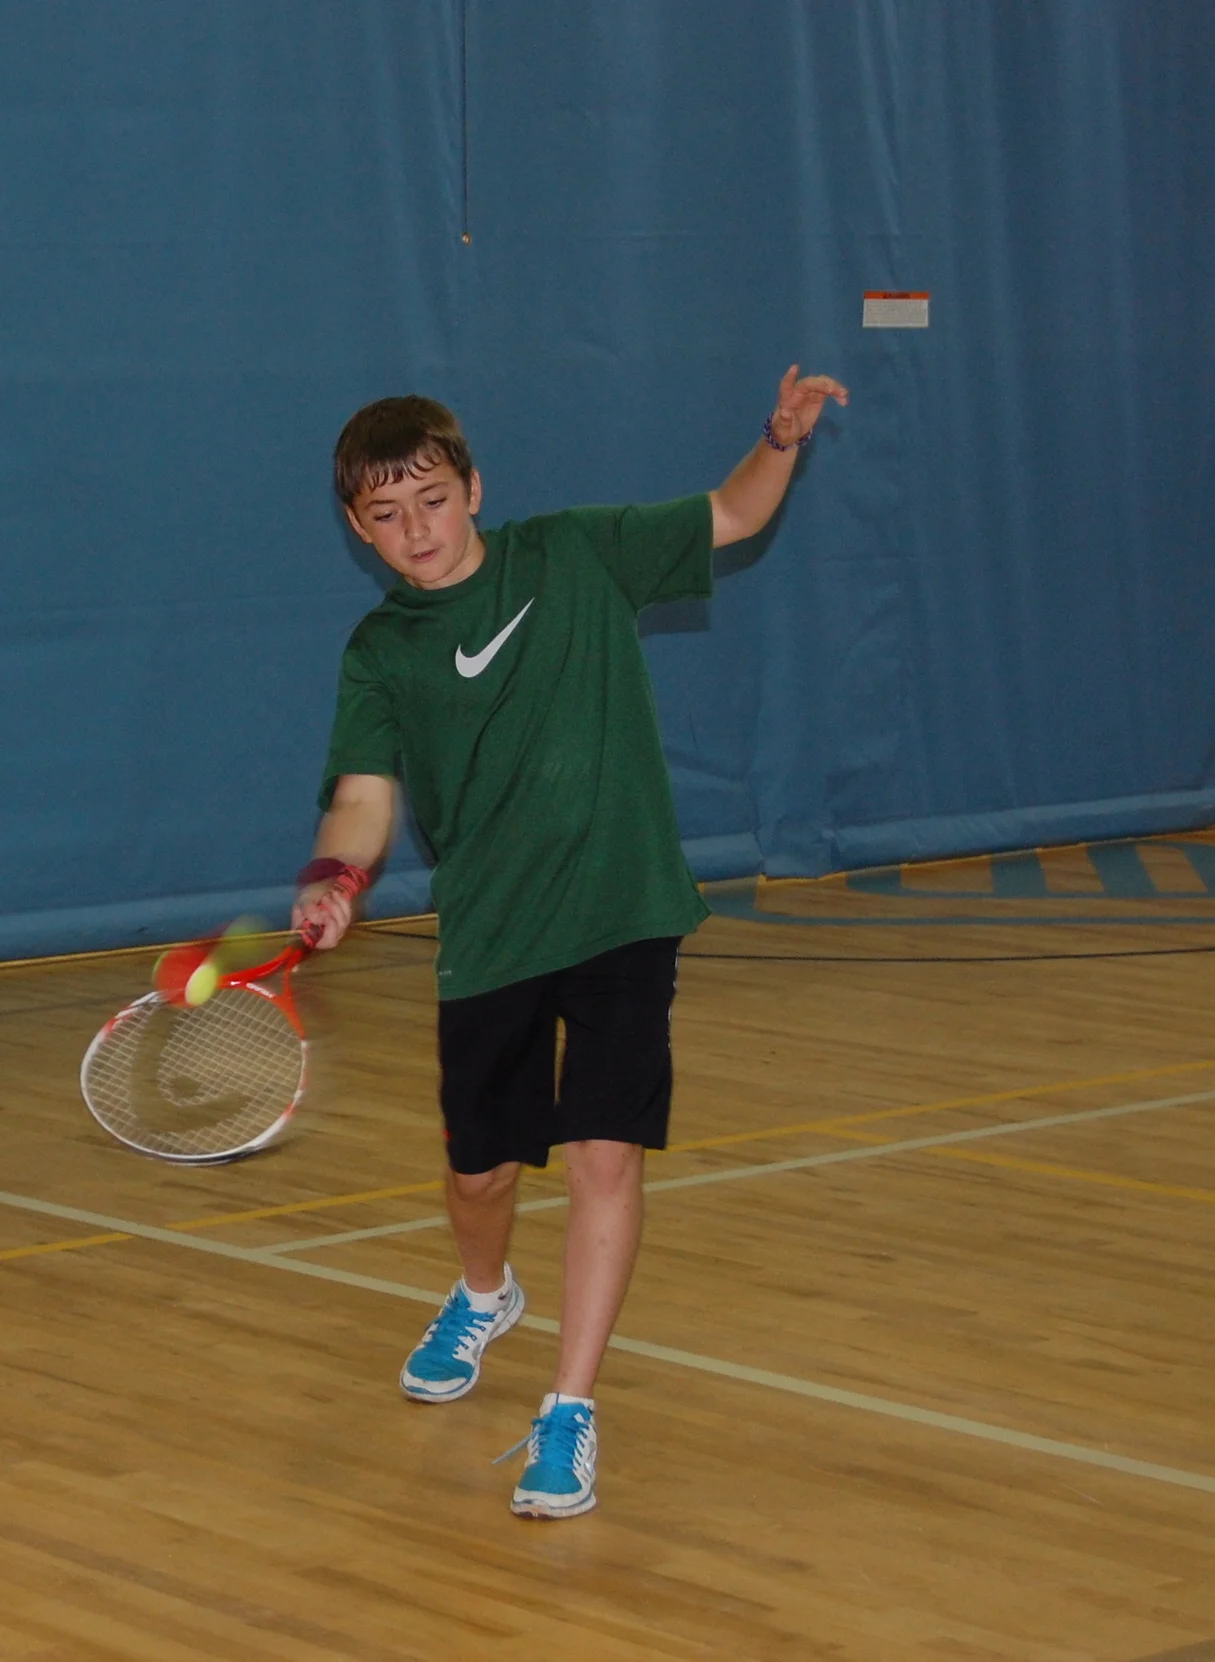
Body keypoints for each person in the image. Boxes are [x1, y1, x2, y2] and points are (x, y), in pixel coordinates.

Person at [292, 366, 849, 1519]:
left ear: (473, 487)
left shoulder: (575, 555)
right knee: (479, 1170)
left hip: (620, 908)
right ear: (357, 528)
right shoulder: (379, 651)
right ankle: (484, 1290)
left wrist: (779, 439)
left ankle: (568, 1409)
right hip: (493, 932)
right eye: (387, 516)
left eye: (433, 501)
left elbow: (733, 514)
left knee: (604, 1153)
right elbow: (361, 794)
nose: (417, 531)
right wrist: (337, 875)